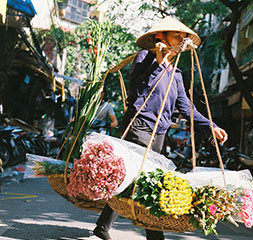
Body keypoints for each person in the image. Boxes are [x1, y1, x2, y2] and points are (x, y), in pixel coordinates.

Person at [93, 16, 228, 240]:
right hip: (139, 126)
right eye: (177, 37)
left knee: (134, 178)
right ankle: (155, 237)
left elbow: (187, 108)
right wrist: (159, 63)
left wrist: (210, 126)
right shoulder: (145, 58)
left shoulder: (176, 75)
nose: (181, 41)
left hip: (159, 132)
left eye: (183, 38)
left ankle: (103, 226)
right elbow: (138, 94)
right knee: (148, 179)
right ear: (160, 37)